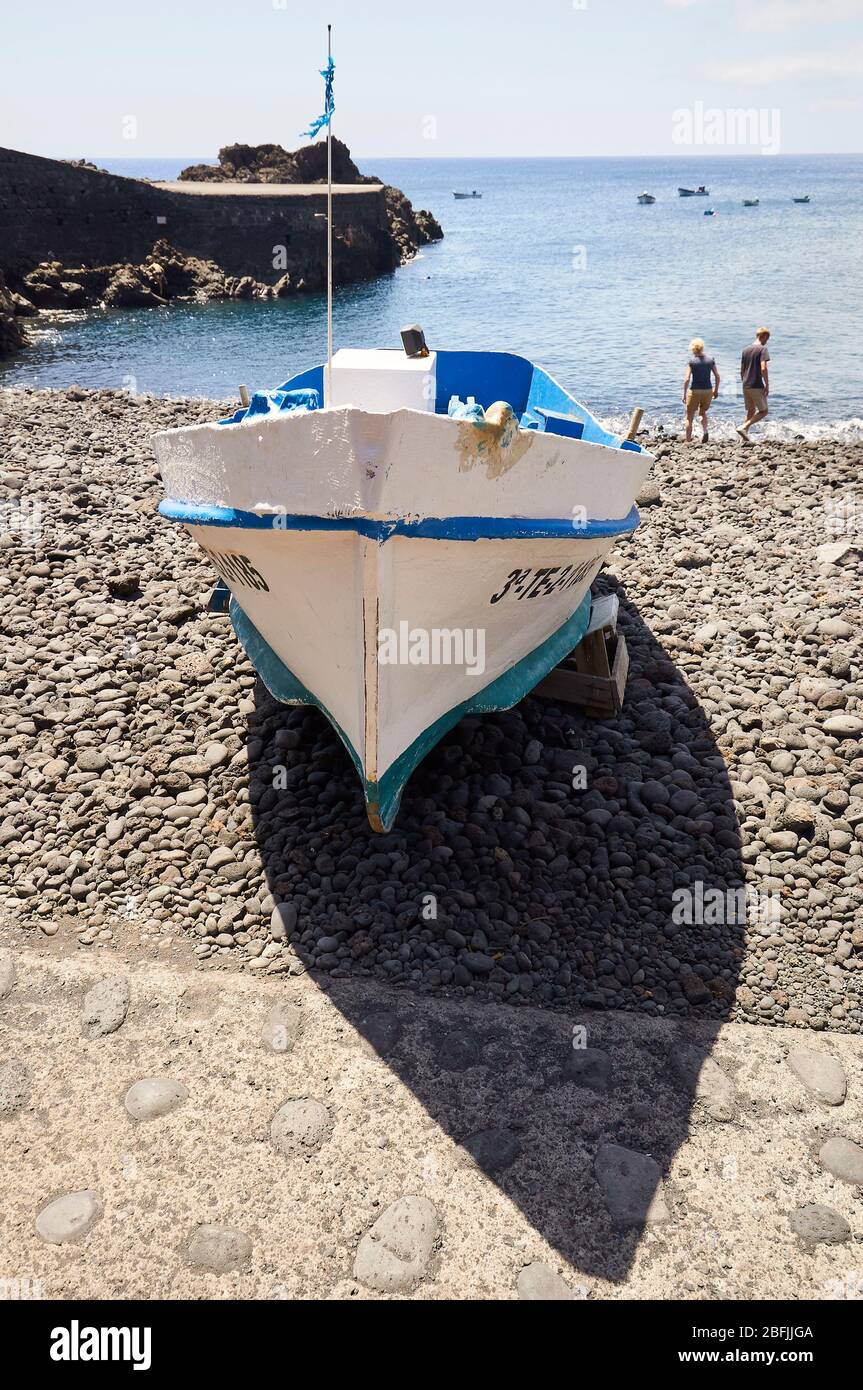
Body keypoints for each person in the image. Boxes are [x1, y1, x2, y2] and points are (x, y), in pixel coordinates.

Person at [682, 338, 720, 443]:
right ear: (702, 347)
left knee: (689, 416)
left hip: (694, 391)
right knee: (702, 412)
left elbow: (687, 379)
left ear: (693, 349)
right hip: (708, 390)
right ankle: (705, 431)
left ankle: (688, 441)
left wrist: (684, 394)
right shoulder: (710, 360)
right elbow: (717, 376)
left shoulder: (692, 362)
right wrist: (716, 390)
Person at [737, 327, 771, 443]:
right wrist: (767, 384)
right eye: (767, 338)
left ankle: (743, 439)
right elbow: (763, 368)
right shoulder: (762, 349)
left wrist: (744, 382)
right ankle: (743, 428)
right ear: (763, 337)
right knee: (764, 411)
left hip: (745, 383)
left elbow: (741, 370)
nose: (766, 341)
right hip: (756, 384)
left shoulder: (745, 350)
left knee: (750, 411)